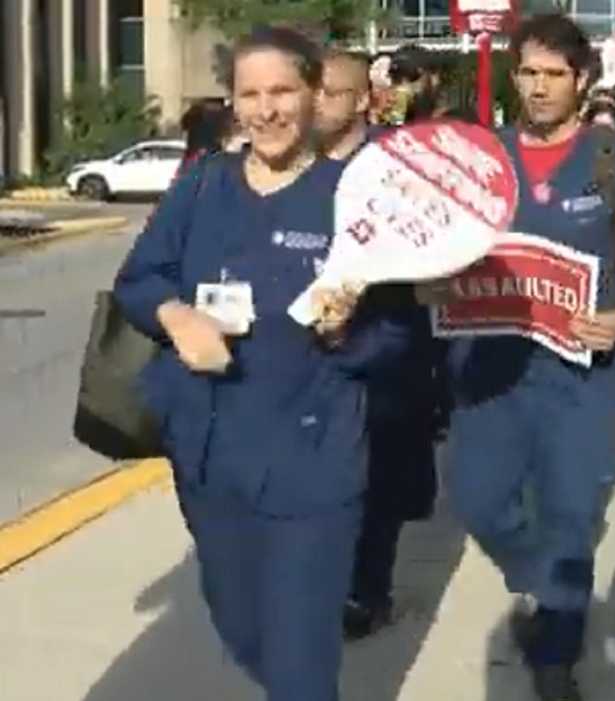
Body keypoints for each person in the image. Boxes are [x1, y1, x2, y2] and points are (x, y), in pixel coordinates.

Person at [113, 27, 412, 701]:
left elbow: (401, 339)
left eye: (282, 90)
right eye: (250, 94)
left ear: (314, 96)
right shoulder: (203, 187)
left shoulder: (356, 199)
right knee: (242, 630)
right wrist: (176, 315)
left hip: (313, 463)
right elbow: (139, 279)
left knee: (301, 667)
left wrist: (346, 336)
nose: (266, 109)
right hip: (209, 457)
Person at [417, 14, 615, 701]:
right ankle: (540, 582)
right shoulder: (483, 157)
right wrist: (433, 282)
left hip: (581, 377)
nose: (537, 88)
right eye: (527, 72)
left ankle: (558, 649)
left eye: (553, 75)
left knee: (570, 513)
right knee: (482, 503)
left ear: (583, 80)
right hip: (488, 370)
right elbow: (435, 254)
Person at [313, 48, 447, 639]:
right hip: (307, 356)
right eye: (308, 91)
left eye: (331, 93)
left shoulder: (403, 165)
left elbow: (443, 252)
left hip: (386, 349)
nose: (315, 104)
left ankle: (367, 591)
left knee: (378, 488)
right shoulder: (286, 165)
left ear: (365, 98)